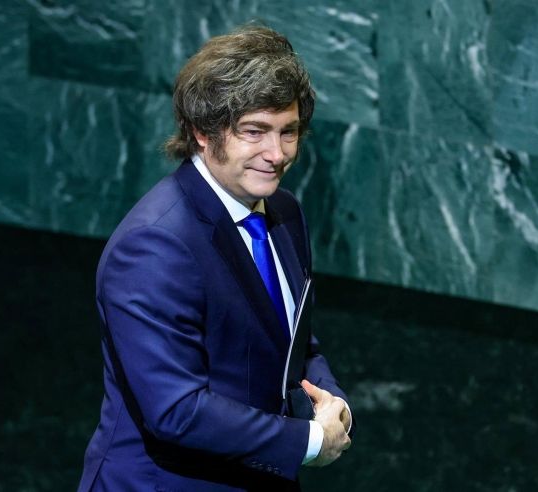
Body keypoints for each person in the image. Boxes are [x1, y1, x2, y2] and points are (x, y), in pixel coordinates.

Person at [77, 24, 352, 492]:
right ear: (203, 132)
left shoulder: (285, 212)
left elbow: (296, 345)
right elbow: (177, 409)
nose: (276, 154)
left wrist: (333, 406)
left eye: (288, 132)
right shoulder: (153, 245)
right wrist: (308, 440)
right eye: (255, 132)